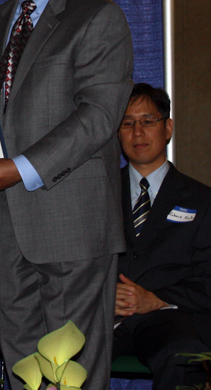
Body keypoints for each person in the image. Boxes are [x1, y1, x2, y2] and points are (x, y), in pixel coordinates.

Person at [0, 0, 133, 390]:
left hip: (73, 223)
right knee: (21, 364)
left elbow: (98, 116)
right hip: (5, 227)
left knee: (72, 371)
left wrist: (19, 167)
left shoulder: (98, 16)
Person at [114, 83, 211, 390]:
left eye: (148, 121)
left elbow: (208, 277)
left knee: (184, 354)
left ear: (167, 128)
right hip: (103, 316)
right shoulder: (96, 195)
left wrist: (154, 300)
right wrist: (103, 296)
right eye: (127, 123)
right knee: (54, 352)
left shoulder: (202, 200)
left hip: (168, 317)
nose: (137, 132)